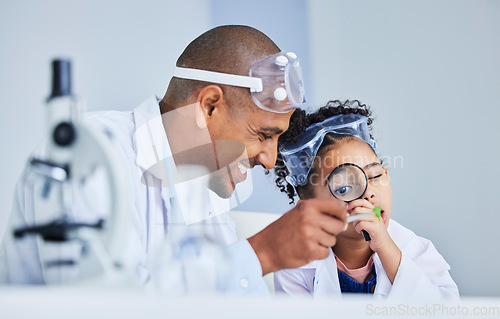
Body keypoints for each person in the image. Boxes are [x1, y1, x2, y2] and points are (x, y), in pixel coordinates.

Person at [0, 25, 348, 294]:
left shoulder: (206, 179)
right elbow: (101, 305)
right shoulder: (91, 154)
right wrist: (263, 254)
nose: (269, 161)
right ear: (209, 106)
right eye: (263, 135)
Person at [272, 100, 459, 299]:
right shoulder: (292, 264)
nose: (368, 193)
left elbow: (444, 310)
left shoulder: (418, 251)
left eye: (375, 176)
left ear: (386, 174)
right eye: (343, 188)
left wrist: (385, 247)